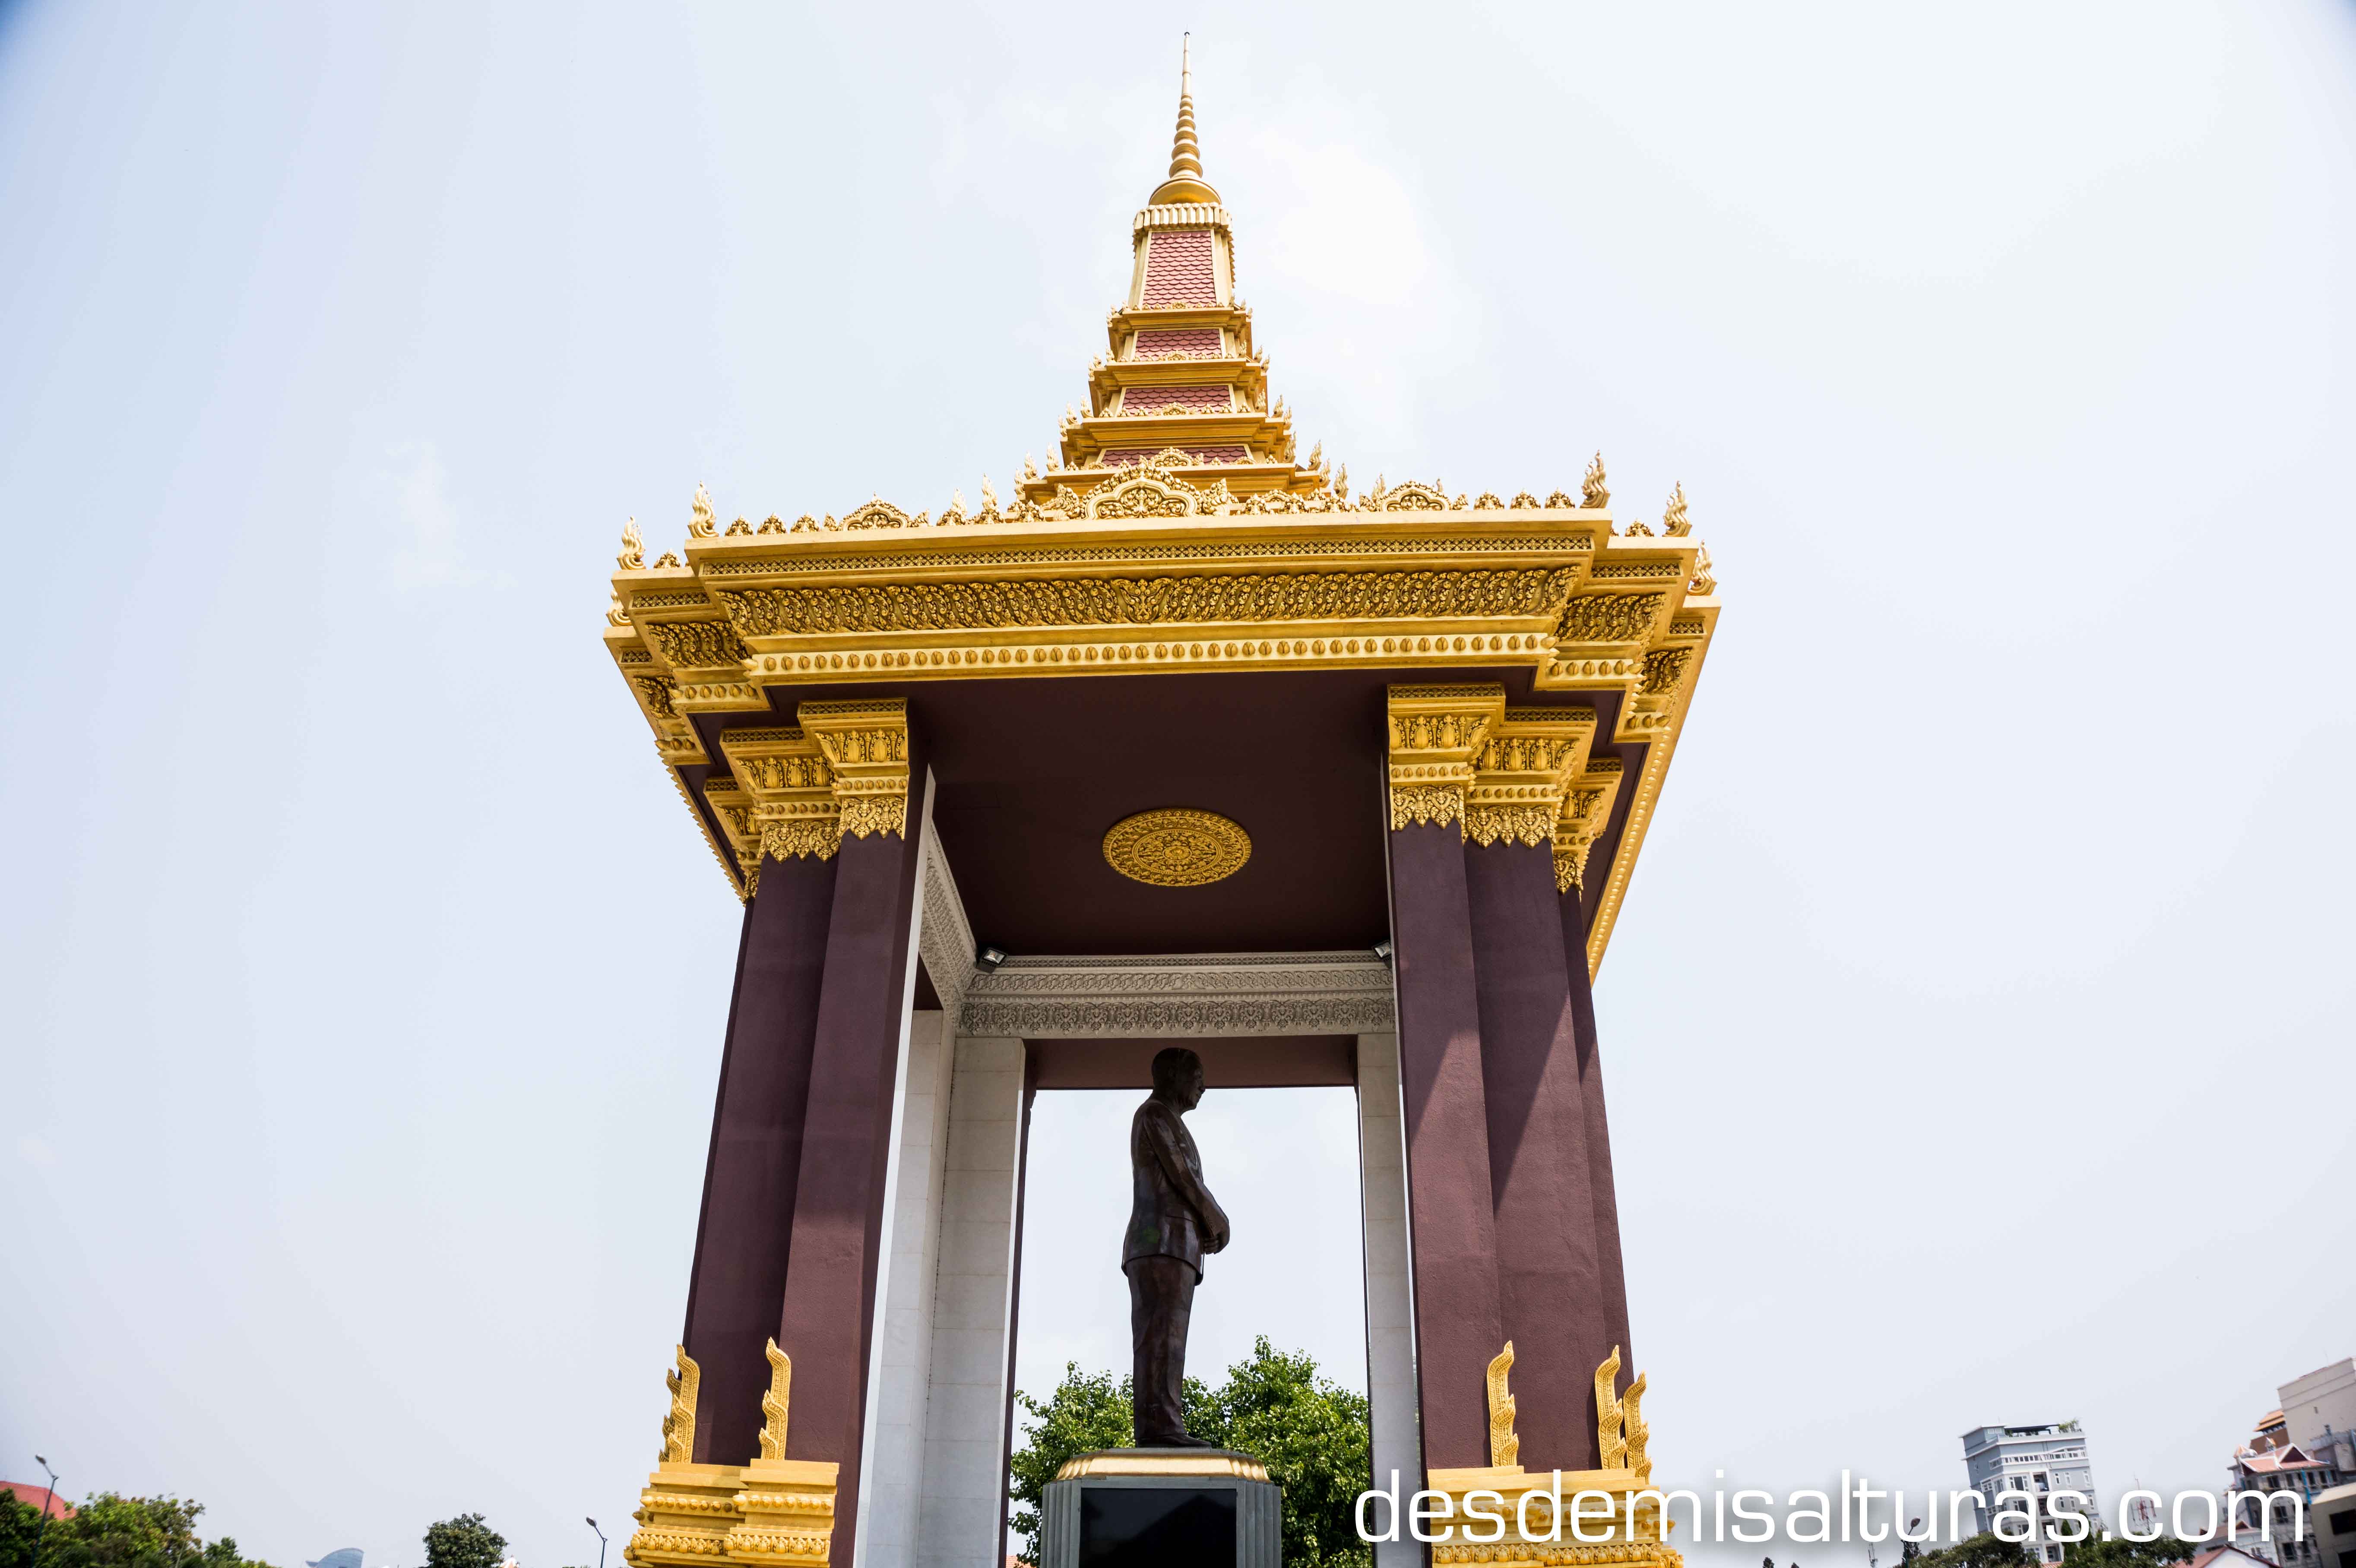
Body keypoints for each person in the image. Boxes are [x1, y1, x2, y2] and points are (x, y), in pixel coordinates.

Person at [1123, 1046, 1231, 1447]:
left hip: (1176, 1244)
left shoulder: (1167, 1119)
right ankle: (1161, 1429)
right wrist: (1215, 1216)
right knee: (1160, 1338)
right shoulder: (1153, 1115)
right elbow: (1182, 1175)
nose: (1203, 1085)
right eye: (1197, 1075)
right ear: (1173, 1076)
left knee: (1171, 1339)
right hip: (1159, 1241)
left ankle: (1166, 1425)